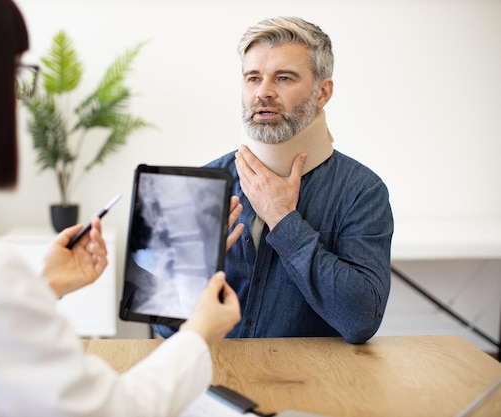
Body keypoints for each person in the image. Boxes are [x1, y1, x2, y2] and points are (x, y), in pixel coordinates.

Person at [0, 1, 242, 416]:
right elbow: (110, 411)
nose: (17, 96)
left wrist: (43, 286)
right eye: (13, 72)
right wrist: (198, 333)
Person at [154, 16, 393, 344]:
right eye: (253, 78)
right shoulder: (205, 185)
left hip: (318, 385)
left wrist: (283, 220)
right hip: (220, 380)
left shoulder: (362, 193)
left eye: (283, 78)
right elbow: (164, 327)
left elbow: (361, 320)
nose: (263, 92)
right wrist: (193, 271)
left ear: (322, 92)